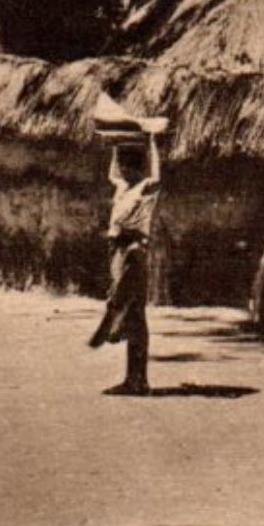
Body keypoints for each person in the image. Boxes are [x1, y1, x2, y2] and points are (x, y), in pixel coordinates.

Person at [89, 131, 163, 396]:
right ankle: (136, 379)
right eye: (121, 165)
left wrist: (151, 142)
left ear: (135, 167)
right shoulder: (122, 188)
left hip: (134, 248)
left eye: (125, 165)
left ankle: (113, 319)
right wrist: (116, 144)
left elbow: (156, 175)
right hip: (116, 249)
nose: (121, 170)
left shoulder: (145, 188)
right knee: (135, 316)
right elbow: (112, 174)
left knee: (130, 306)